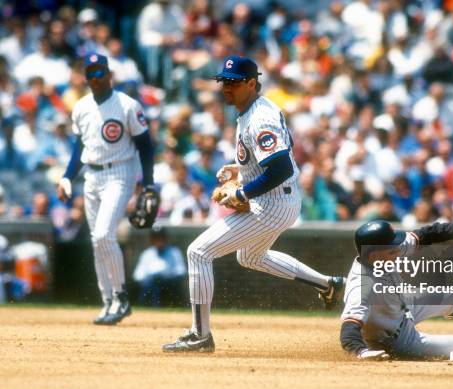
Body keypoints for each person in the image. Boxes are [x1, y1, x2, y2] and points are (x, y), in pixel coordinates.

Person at [162, 56, 344, 353]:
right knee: (250, 257)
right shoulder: (256, 110)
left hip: (272, 202)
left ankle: (200, 334)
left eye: (233, 82)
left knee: (198, 252)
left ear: (251, 83)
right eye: (224, 81)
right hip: (279, 198)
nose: (227, 88)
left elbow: (282, 167)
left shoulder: (259, 117)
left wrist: (242, 193)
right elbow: (280, 153)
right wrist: (240, 169)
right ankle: (328, 284)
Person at [57, 53, 156, 325]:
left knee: (103, 234)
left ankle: (122, 298)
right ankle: (108, 301)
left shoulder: (127, 105)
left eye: (100, 72)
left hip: (120, 173)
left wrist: (148, 184)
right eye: (90, 73)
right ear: (85, 77)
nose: (96, 78)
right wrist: (67, 177)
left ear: (110, 74)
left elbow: (146, 146)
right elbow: (80, 149)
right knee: (97, 241)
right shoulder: (80, 107)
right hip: (92, 175)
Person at [340, 220, 453, 360]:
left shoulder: (384, 251)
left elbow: (426, 234)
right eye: (393, 251)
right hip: (397, 338)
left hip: (403, 303)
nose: (399, 251)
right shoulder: (362, 287)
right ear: (374, 256)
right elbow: (349, 328)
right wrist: (361, 351)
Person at [133, 226, 186, 306]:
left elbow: (181, 271)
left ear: (165, 238)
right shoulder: (147, 253)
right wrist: (151, 277)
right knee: (150, 285)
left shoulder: (174, 252)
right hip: (151, 283)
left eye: (161, 237)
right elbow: (137, 275)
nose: (158, 240)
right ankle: (149, 307)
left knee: (167, 285)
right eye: (156, 238)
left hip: (168, 282)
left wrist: (166, 275)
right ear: (152, 239)